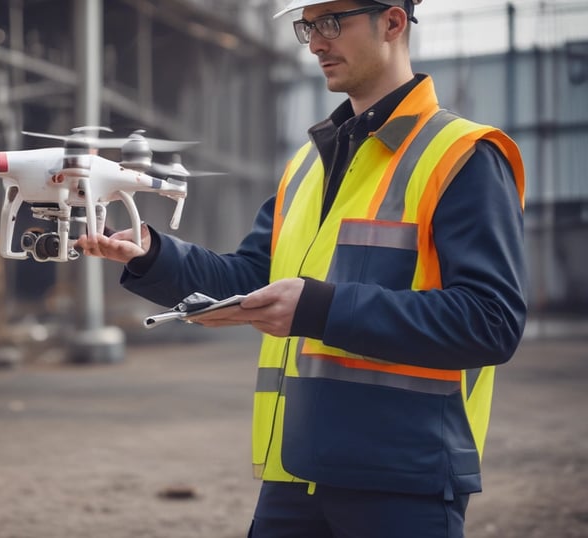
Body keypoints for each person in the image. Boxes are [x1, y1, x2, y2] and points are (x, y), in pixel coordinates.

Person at [76, 0, 527, 536]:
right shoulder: (308, 165)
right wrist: (153, 254)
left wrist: (319, 308)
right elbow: (250, 280)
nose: (315, 43)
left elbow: (490, 321)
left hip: (402, 482)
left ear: (392, 22)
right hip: (293, 476)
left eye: (332, 23)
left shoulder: (464, 156)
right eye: (308, 26)